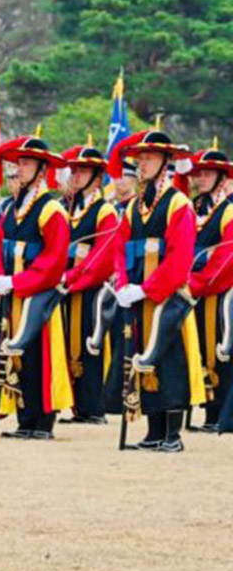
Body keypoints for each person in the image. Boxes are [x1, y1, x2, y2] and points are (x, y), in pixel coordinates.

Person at [111, 131, 207, 452]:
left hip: (169, 298)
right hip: (138, 294)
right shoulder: (133, 207)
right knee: (142, 358)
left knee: (171, 360)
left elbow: (179, 260)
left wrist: (147, 289)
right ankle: (153, 431)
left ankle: (173, 435)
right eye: (140, 158)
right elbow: (120, 247)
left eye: (150, 157)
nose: (143, 163)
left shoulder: (177, 203)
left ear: (165, 162)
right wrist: (123, 284)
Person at [0, 136, 74, 441]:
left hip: (39, 296)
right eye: (18, 163)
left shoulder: (51, 210)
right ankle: (25, 418)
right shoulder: (12, 208)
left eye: (25, 163)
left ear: (41, 170)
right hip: (13, 295)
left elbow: (54, 260)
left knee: (40, 356)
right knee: (19, 356)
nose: (19, 169)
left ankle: (42, 420)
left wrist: (18, 281)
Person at [59, 145, 118, 424]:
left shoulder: (105, 210)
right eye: (74, 170)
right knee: (66, 344)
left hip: (90, 289)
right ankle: (75, 404)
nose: (76, 175)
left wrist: (73, 278)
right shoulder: (64, 207)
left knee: (89, 346)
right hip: (62, 287)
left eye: (83, 170)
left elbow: (102, 255)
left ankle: (93, 407)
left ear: (97, 177)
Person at [182, 147, 233, 433]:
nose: (201, 178)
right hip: (191, 289)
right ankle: (208, 413)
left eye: (208, 173)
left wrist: (198, 283)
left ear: (222, 178)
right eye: (199, 173)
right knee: (198, 347)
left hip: (220, 291)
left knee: (221, 352)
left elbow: (227, 256)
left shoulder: (229, 210)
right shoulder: (193, 208)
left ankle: (222, 415)